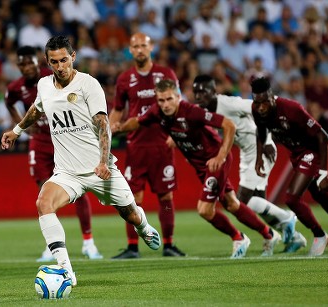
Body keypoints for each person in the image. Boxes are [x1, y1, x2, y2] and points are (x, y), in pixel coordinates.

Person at [1, 35, 162, 287]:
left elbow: (103, 124)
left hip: (99, 169)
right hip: (67, 172)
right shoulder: (44, 85)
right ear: (47, 61)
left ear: (73, 57)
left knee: (129, 214)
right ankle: (66, 271)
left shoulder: (88, 84)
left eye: (64, 60)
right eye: (54, 62)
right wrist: (16, 131)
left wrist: (103, 162)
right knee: (43, 203)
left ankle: (143, 226)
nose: (60, 66)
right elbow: (36, 109)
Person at [113, 79, 282, 258]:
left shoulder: (192, 112)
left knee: (204, 209)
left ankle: (238, 237)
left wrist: (221, 156)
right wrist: (121, 127)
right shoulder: (158, 112)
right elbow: (138, 122)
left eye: (169, 99)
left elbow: (229, 125)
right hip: (202, 166)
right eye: (161, 100)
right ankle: (269, 234)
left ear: (178, 97)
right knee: (231, 203)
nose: (165, 104)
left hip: (215, 161)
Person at [250, 76, 328, 256]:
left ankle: (319, 235)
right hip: (296, 154)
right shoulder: (257, 110)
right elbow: (261, 132)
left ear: (272, 97)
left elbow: (323, 137)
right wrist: (259, 158)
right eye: (257, 103)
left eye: (264, 102)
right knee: (322, 196)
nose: (260, 107)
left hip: (311, 151)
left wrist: (323, 172)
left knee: (291, 198)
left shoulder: (292, 109)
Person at [5, 45, 103, 261]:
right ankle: (53, 245)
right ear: (18, 67)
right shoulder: (16, 87)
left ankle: (88, 242)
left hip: (65, 139)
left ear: (38, 62)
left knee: (79, 190)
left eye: (29, 62)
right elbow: (9, 102)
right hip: (39, 143)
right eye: (21, 64)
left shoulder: (52, 78)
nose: (26, 67)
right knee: (44, 193)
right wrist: (19, 125)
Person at [192, 75, 307, 252]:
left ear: (214, 91)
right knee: (258, 203)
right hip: (247, 153)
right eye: (196, 93)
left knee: (242, 201)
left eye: (203, 92)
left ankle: (287, 218)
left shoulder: (229, 103)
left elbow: (263, 110)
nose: (199, 96)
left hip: (260, 148)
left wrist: (267, 139)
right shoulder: (201, 111)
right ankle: (295, 238)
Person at [109, 32, 185, 258]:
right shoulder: (125, 79)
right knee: (131, 198)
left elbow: (179, 103)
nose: (140, 49)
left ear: (151, 47)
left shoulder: (165, 74)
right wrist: (110, 128)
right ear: (130, 50)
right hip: (136, 146)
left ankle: (169, 245)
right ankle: (133, 247)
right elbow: (118, 110)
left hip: (162, 144)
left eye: (143, 45)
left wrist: (177, 132)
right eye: (135, 46)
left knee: (166, 197)